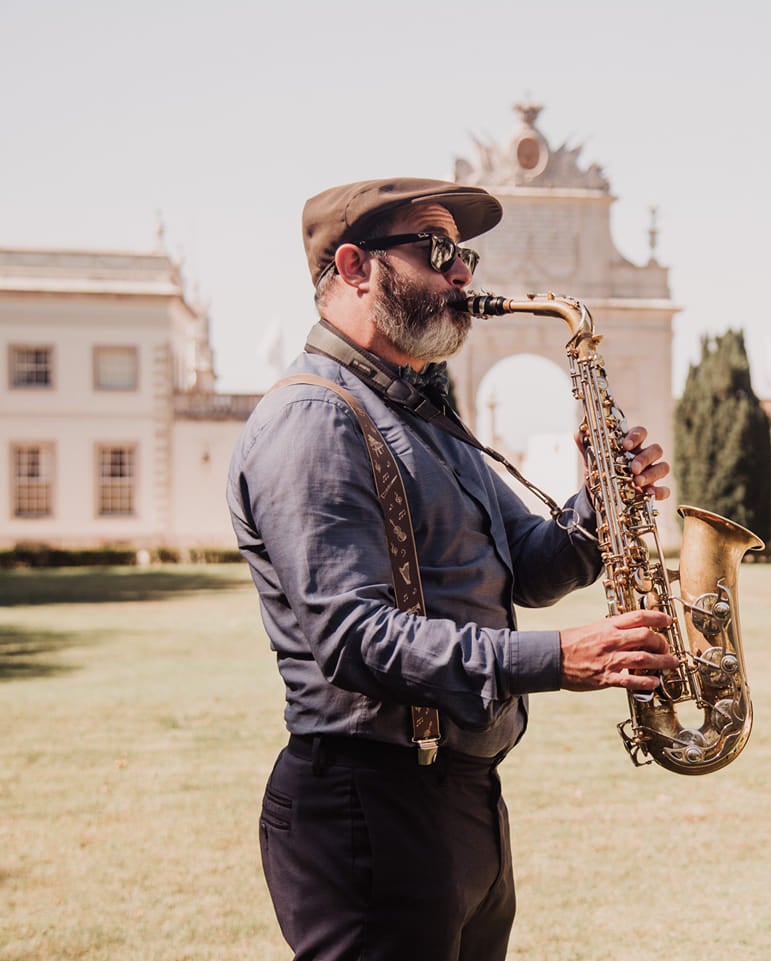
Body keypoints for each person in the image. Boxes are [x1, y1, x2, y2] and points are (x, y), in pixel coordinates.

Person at [226, 177, 678, 961]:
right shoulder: (313, 418)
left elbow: (524, 568)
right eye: (437, 253)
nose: (463, 274)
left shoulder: (426, 415)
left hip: (463, 799)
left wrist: (598, 506)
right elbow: (355, 639)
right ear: (355, 266)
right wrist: (556, 657)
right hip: (369, 807)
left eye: (462, 254)